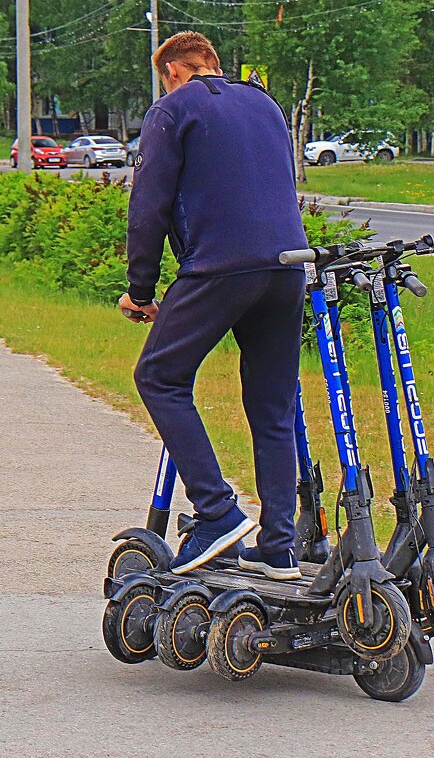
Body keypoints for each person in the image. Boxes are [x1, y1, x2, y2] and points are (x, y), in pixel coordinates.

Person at [119, 31, 309, 580]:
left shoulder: (170, 112)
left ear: (175, 72)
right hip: (287, 266)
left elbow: (148, 206)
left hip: (219, 267)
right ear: (214, 65)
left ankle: (217, 512)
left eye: (164, 80)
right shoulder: (267, 105)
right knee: (273, 407)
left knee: (159, 376)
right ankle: (279, 547)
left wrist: (143, 290)